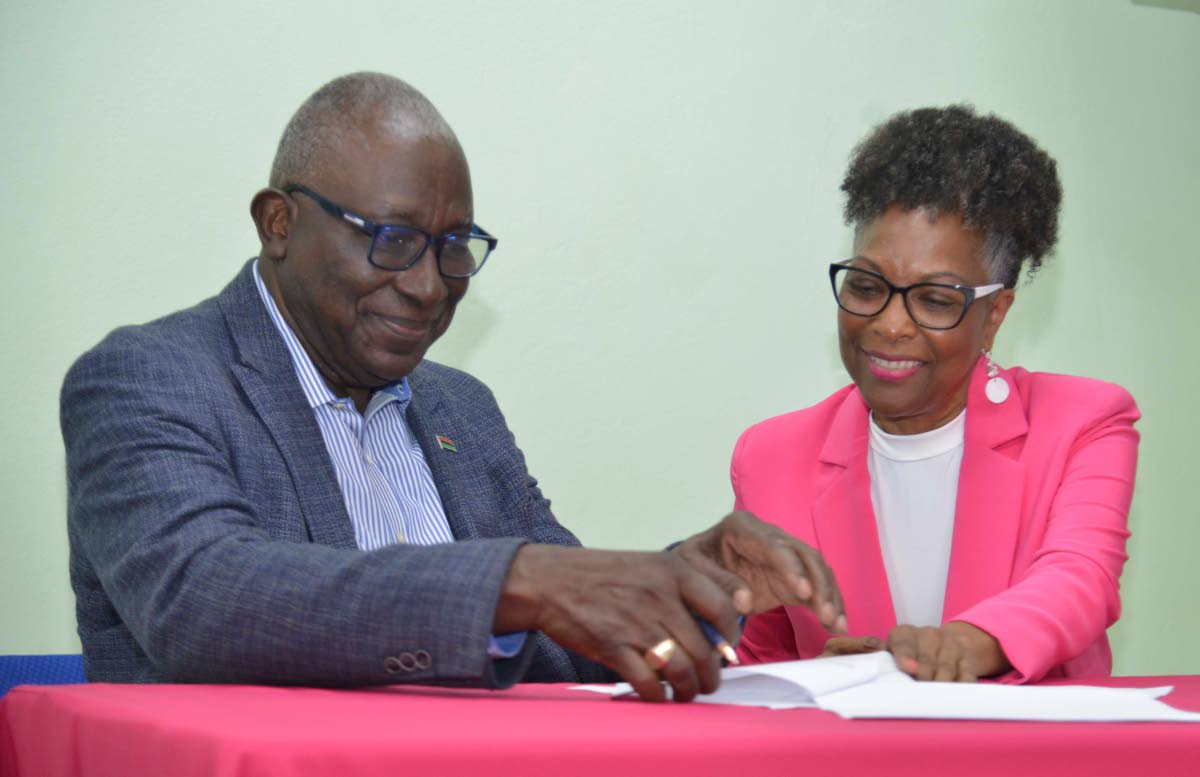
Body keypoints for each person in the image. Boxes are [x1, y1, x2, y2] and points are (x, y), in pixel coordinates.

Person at [61, 72, 845, 703]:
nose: (430, 287)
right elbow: (205, 600)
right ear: (279, 223)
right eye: (394, 241)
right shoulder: (151, 377)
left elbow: (568, 634)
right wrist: (515, 580)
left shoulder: (459, 410)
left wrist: (689, 580)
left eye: (452, 248)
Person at [731, 105, 1139, 683]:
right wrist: (816, 681)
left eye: (936, 300)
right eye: (867, 287)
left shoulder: (1083, 423)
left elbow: (1079, 579)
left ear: (993, 313)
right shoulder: (770, 456)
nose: (891, 324)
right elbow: (762, 657)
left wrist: (962, 648)